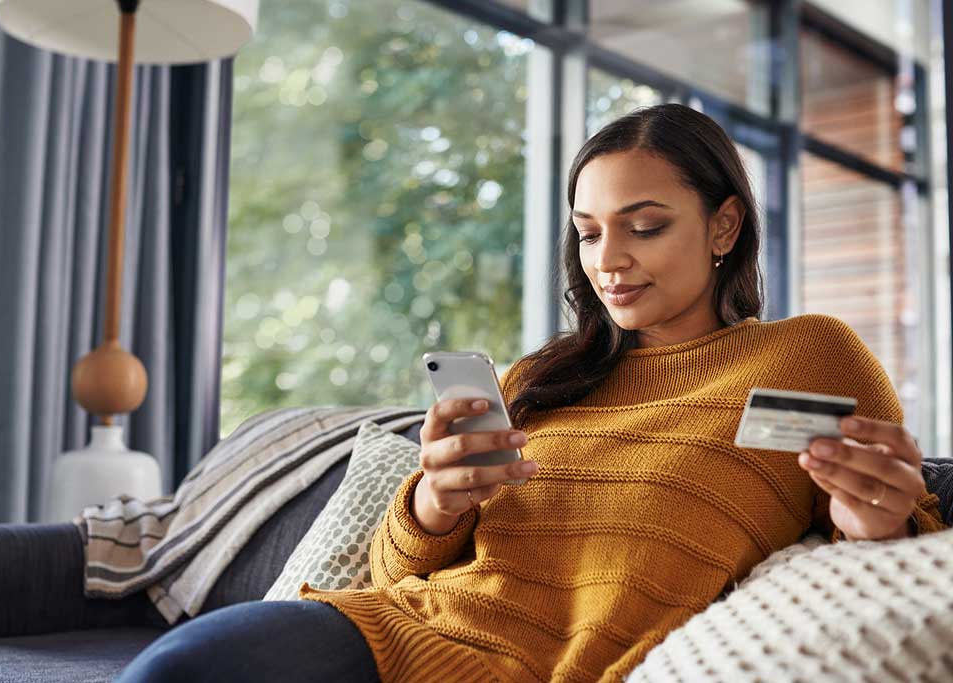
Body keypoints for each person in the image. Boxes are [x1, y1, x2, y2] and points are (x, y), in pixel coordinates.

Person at [116, 103, 947, 683]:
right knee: (179, 667)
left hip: (570, 665)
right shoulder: (545, 376)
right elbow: (388, 575)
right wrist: (434, 502)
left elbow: (885, 569)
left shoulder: (810, 354)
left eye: (645, 225)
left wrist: (874, 520)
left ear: (724, 226)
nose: (608, 259)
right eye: (588, 233)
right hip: (401, 632)